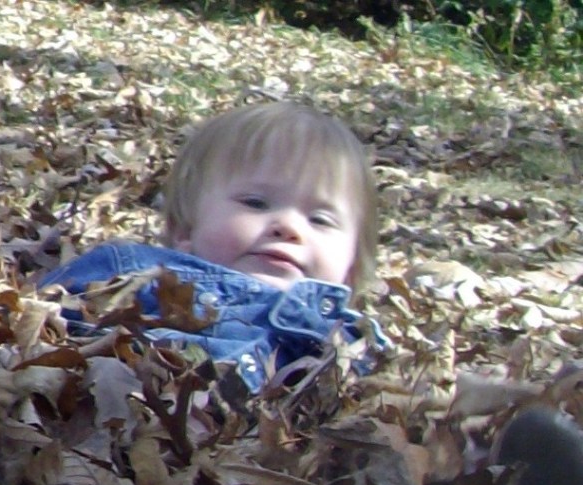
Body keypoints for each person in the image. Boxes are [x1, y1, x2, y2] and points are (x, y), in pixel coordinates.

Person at [40, 101, 390, 392]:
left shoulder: (355, 343)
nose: (289, 227)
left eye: (321, 220)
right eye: (255, 203)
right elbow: (43, 313)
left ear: (352, 269)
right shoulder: (146, 273)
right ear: (186, 228)